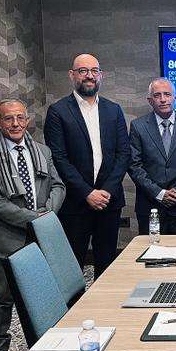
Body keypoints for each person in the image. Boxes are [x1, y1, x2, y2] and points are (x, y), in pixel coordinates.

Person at [0, 99, 65, 351]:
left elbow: (58, 186)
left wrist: (47, 213)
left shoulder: (42, 151)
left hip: (42, 235)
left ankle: (50, 343)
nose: (15, 124)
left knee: (46, 293)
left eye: (20, 118)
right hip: (8, 237)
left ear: (27, 120)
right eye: (8, 119)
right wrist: (30, 217)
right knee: (1, 298)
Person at [44, 53, 130, 278]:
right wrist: (87, 193)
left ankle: (105, 303)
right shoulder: (58, 111)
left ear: (101, 75)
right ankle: (75, 303)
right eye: (83, 71)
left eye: (94, 71)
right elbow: (59, 158)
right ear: (72, 75)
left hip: (109, 202)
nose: (89, 76)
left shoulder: (114, 110)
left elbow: (123, 154)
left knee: (107, 265)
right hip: (75, 203)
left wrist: (106, 190)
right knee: (72, 269)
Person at [129, 78, 176, 234]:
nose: (163, 99)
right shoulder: (138, 126)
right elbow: (134, 166)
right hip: (150, 206)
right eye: (157, 95)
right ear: (150, 100)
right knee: (150, 248)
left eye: (167, 94)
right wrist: (159, 193)